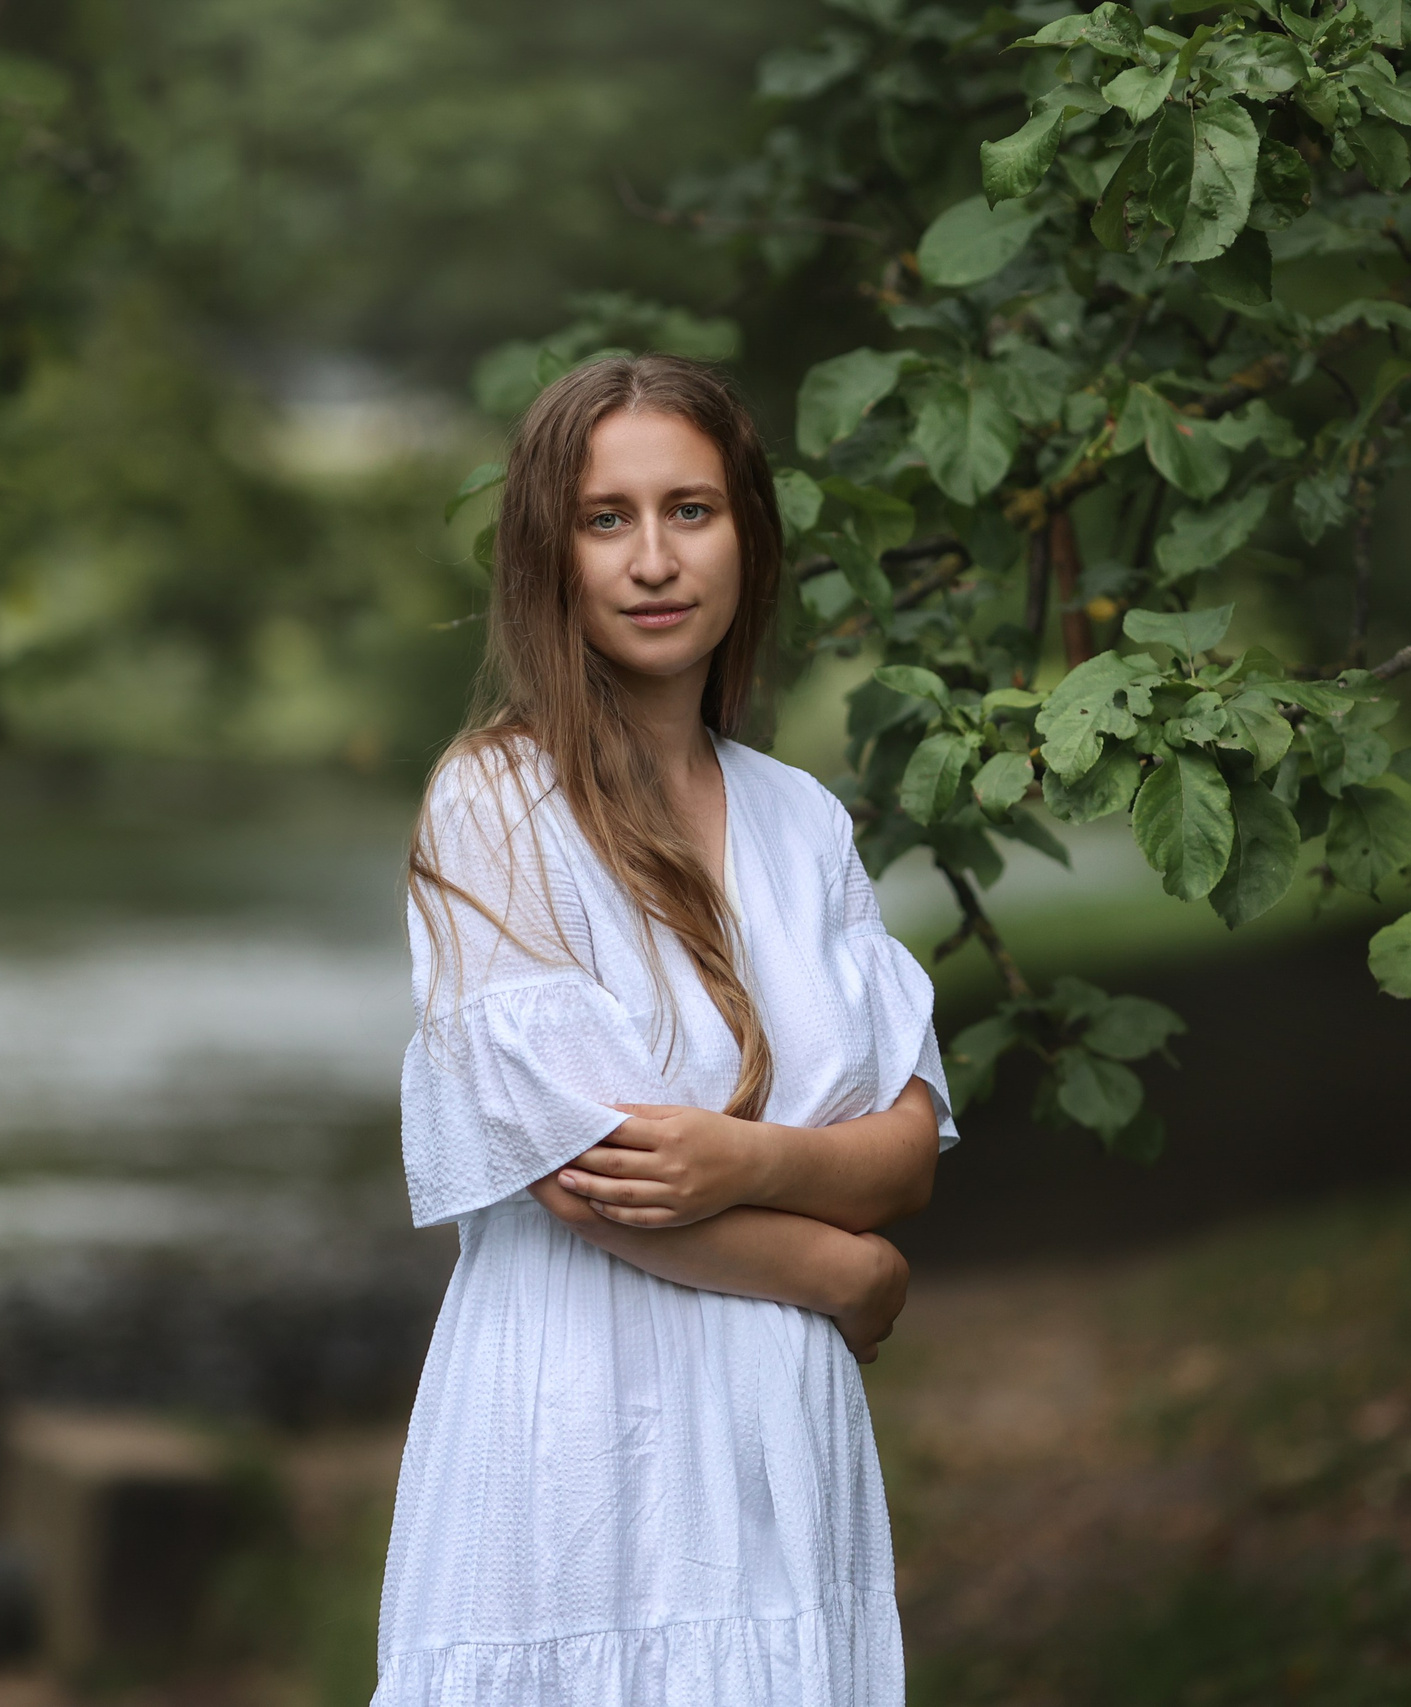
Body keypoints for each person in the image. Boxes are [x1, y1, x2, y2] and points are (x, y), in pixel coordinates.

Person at [373, 353, 953, 1706]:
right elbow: (595, 1182)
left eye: (689, 510)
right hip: (581, 1432)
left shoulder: (806, 823)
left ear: (748, 533)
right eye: (605, 518)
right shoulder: (496, 803)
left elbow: (911, 1147)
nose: (652, 559)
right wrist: (842, 1277)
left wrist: (751, 1168)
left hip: (781, 1440)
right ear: (548, 555)